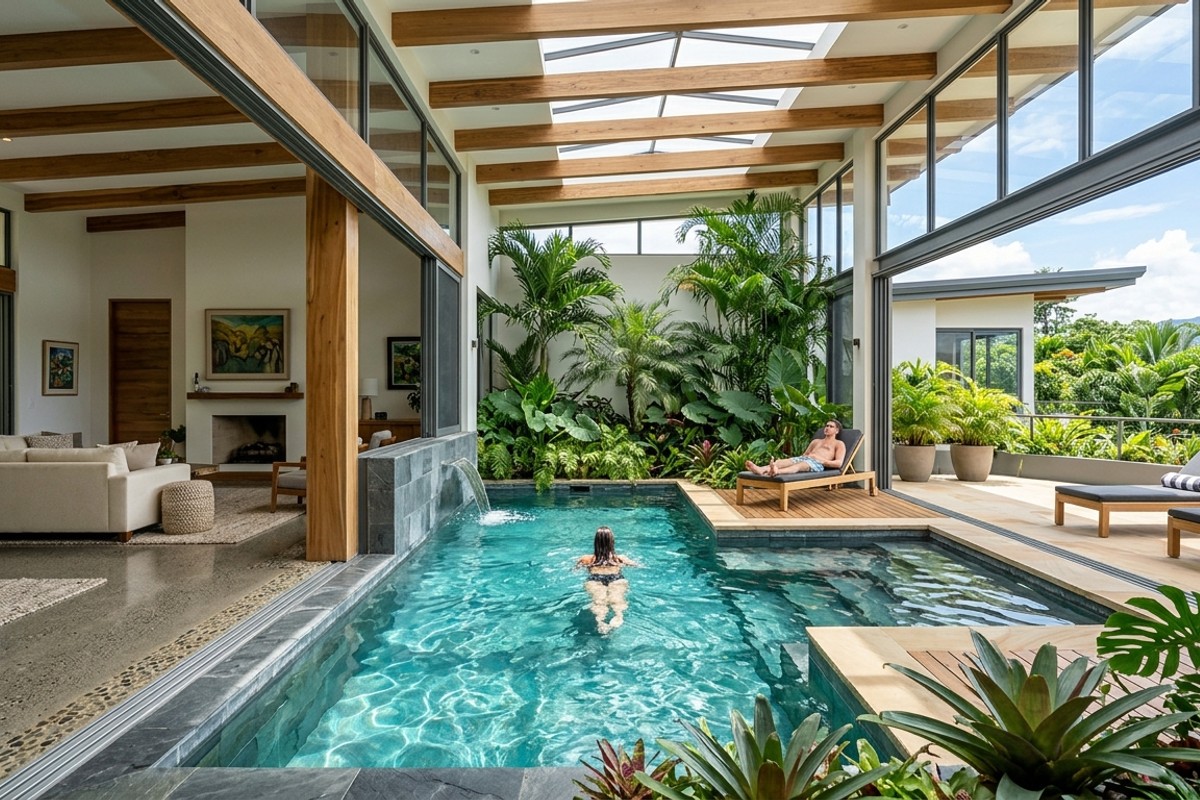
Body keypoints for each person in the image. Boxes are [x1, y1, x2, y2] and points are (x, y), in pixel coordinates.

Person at [574, 526, 640, 634]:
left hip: (595, 579)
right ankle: (619, 616)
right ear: (611, 541)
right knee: (617, 600)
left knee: (599, 602)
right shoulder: (620, 558)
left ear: (596, 542)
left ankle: (600, 621)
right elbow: (637, 565)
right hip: (616, 578)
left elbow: (574, 570)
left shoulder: (586, 558)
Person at [744, 419, 846, 477]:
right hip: (806, 459)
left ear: (837, 431)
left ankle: (776, 471)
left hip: (818, 464)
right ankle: (761, 469)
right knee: (781, 462)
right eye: (826, 425)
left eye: (831, 426)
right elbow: (804, 455)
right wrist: (798, 459)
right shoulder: (816, 441)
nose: (827, 428)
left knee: (800, 465)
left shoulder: (839, 444)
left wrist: (820, 459)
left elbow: (839, 463)